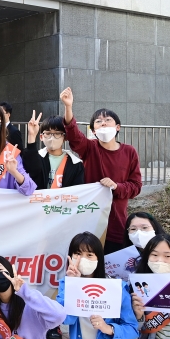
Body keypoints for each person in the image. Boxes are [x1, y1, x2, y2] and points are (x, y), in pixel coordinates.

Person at [22, 111, 86, 339]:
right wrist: (30, 139)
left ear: (64, 137)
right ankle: (32, 314)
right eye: (47, 133)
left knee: (57, 269)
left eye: (57, 134)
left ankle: (54, 322)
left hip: (62, 224)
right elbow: (28, 173)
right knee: (36, 268)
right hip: (36, 222)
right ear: (41, 136)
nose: (52, 138)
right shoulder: (35, 155)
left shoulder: (76, 163)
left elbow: (79, 193)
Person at [59, 87, 142, 254]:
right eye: (98, 121)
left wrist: (117, 187)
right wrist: (68, 107)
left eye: (108, 120)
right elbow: (74, 137)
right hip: (88, 220)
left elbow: (136, 186)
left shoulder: (129, 151)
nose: (103, 123)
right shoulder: (90, 148)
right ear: (93, 130)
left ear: (118, 127)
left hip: (116, 222)